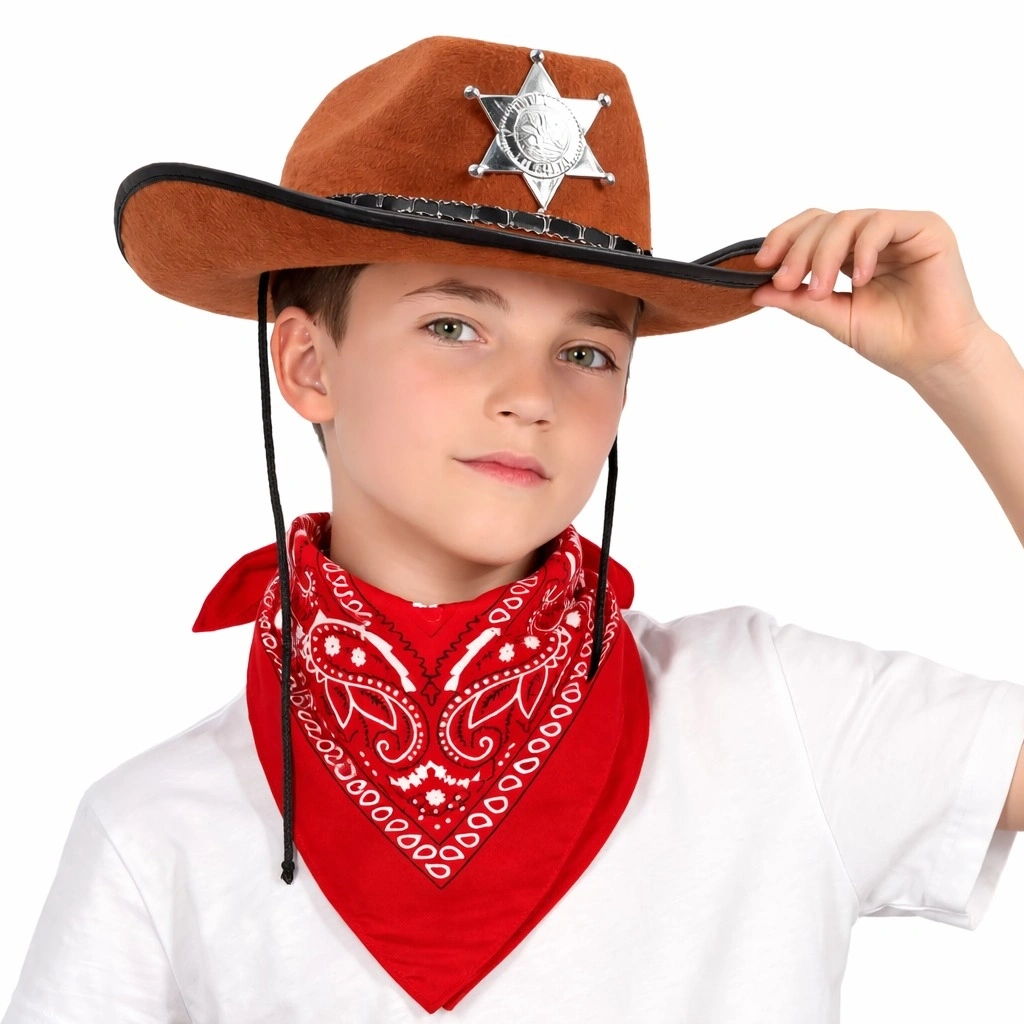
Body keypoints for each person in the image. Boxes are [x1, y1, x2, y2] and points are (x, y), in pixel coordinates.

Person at [4, 34, 1024, 1024]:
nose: (531, 396)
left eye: (586, 352)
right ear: (309, 366)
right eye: (454, 327)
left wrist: (965, 365)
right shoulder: (157, 831)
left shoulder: (772, 713)